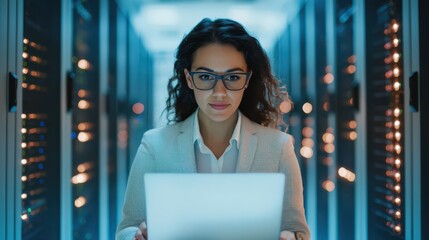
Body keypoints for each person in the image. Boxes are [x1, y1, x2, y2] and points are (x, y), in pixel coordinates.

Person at [116, 18, 310, 240]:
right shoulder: (155, 146)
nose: (219, 92)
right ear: (189, 79)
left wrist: (289, 237)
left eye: (233, 77)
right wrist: (136, 236)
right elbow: (126, 228)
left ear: (247, 80)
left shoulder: (278, 147)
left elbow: (299, 231)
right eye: (206, 77)